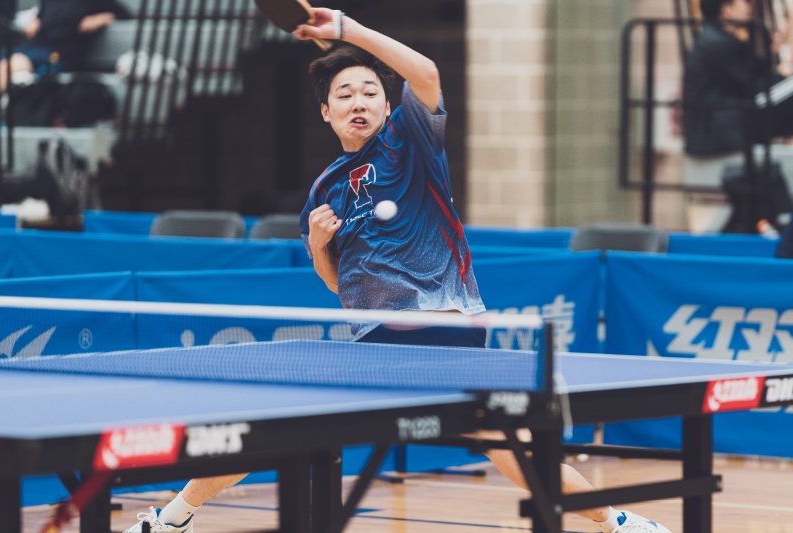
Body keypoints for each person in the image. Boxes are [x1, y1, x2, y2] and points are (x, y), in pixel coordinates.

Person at [124, 9, 670, 533]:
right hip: (378, 341)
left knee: (509, 445)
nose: (358, 102)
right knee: (276, 425)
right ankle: (175, 515)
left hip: (444, 327)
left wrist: (348, 31)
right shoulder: (324, 190)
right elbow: (343, 285)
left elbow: (427, 73)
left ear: (388, 107)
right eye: (345, 95)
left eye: (370, 93)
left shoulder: (411, 143)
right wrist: (317, 245)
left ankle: (615, 521)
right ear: (326, 112)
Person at [683, 0, 793, 156]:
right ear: (726, 10)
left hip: (729, 122)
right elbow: (754, 86)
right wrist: (782, 75)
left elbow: (756, 74)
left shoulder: (721, 38)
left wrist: (771, 50)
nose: (749, 8)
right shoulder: (717, 42)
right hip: (720, 131)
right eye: (744, 2)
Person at [0, 0, 131, 89]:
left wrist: (102, 18)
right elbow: (41, 16)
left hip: (59, 53)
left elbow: (123, 13)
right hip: (33, 44)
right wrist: (36, 20)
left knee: (10, 65)